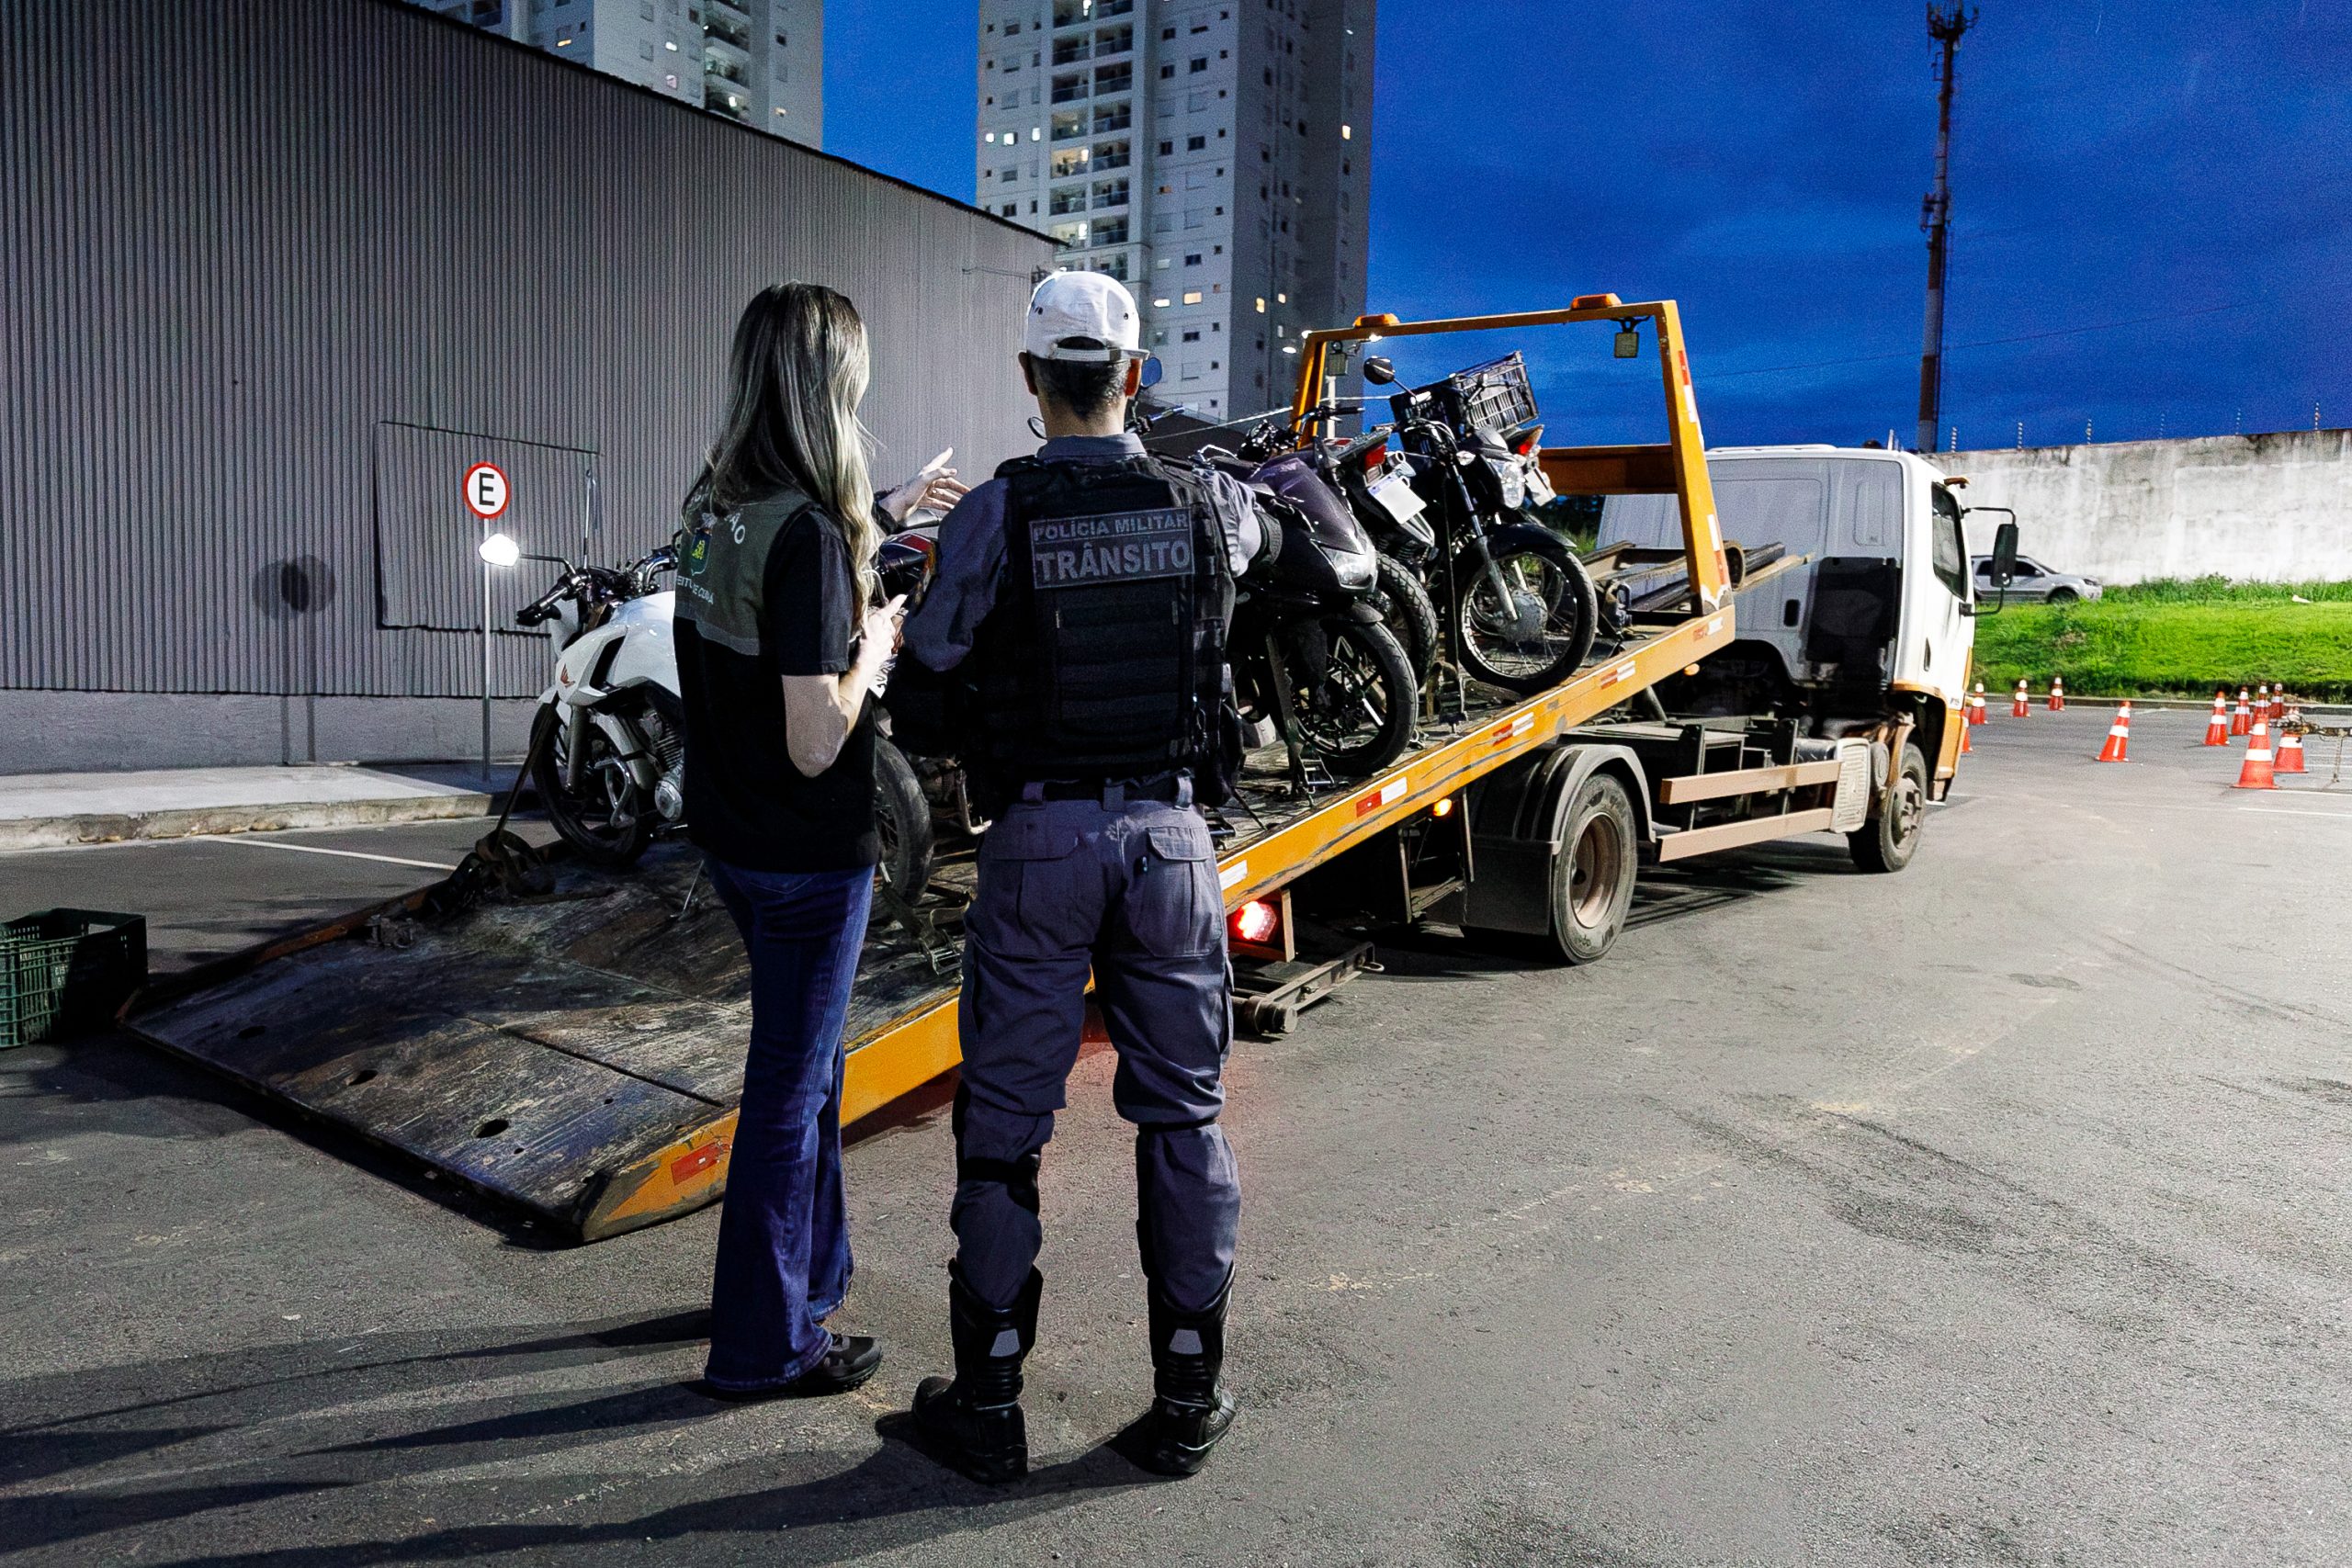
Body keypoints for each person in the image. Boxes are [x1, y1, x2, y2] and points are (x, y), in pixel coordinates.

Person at [900, 270, 1265, 1481]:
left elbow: (933, 657)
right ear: (1136, 374)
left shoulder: (993, 516)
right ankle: (1187, 1397)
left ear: (1026, 380)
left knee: (1004, 1133)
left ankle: (990, 1399)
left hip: (1042, 841)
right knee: (1185, 1117)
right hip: (1173, 843)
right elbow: (1273, 544)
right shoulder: (1208, 502)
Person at [672, 281, 965, 1401]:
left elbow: (762, 604)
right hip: (802, 851)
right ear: (826, 385)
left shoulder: (713, 509)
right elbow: (814, 737)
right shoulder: (802, 538)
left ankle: (801, 1281)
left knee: (810, 1074)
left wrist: (884, 511)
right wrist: (877, 643)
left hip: (733, 840)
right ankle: (763, 1343)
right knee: (790, 1099)